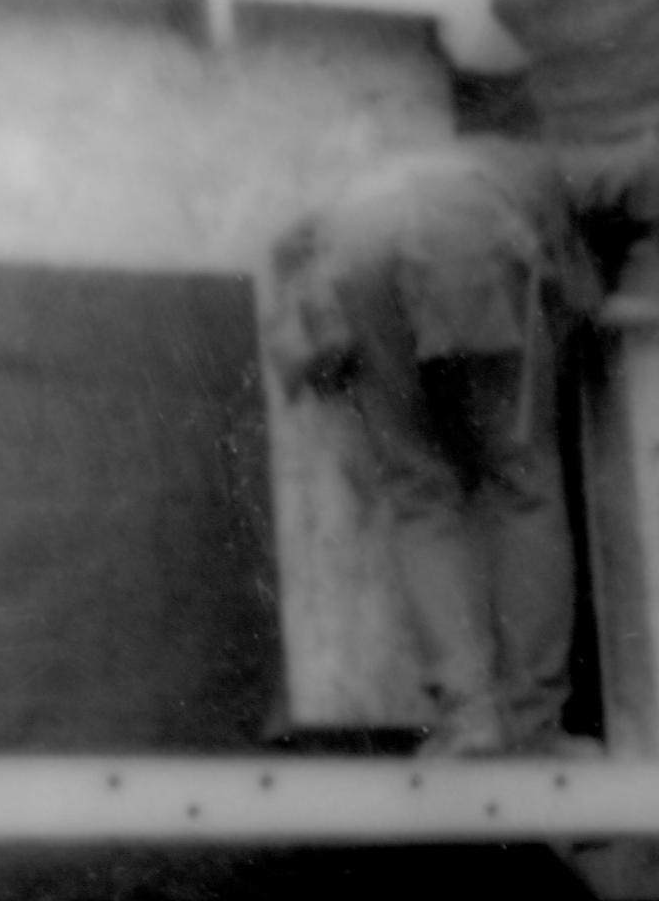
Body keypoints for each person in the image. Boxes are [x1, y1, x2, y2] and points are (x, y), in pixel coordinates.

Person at [267, 128, 659, 757]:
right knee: (522, 485)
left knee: (421, 495)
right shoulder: (567, 169)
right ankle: (535, 728)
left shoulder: (452, 160)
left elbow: (292, 240)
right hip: (465, 234)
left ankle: (468, 722)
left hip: (353, 243)